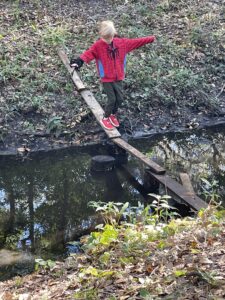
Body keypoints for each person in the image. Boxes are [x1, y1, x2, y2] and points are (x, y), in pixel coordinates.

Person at [70, 20, 155, 130]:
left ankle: (112, 115)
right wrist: (79, 61)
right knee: (112, 100)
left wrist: (151, 38)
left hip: (118, 77)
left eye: (109, 37)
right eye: (105, 38)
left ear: (113, 34)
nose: (108, 40)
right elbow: (88, 54)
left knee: (119, 99)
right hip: (106, 78)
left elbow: (137, 41)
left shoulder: (122, 43)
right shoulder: (98, 46)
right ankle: (105, 118)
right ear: (101, 35)